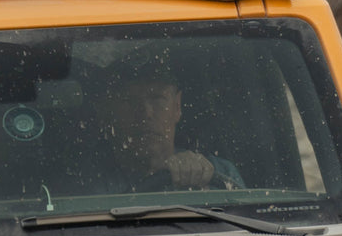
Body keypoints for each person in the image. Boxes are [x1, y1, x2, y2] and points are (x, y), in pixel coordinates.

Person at [97, 55, 244, 191]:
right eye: (129, 101)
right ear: (109, 112)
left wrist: (205, 191)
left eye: (157, 99)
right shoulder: (88, 188)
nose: (145, 114)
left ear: (177, 107)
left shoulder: (220, 174)